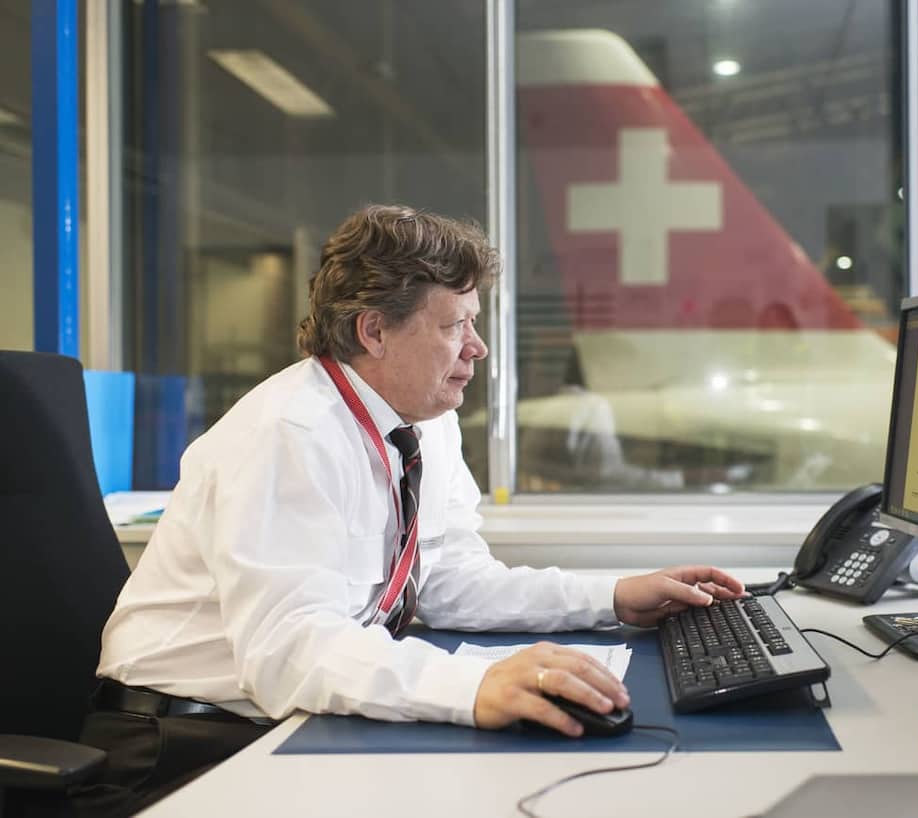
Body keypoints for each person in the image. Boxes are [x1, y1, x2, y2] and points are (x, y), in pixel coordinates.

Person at [73, 204, 745, 817]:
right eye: (455, 326)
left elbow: (450, 580)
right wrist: (473, 686)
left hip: (284, 718)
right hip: (178, 744)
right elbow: (289, 647)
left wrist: (615, 596)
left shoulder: (421, 421)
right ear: (374, 332)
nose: (476, 349)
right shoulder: (288, 433)